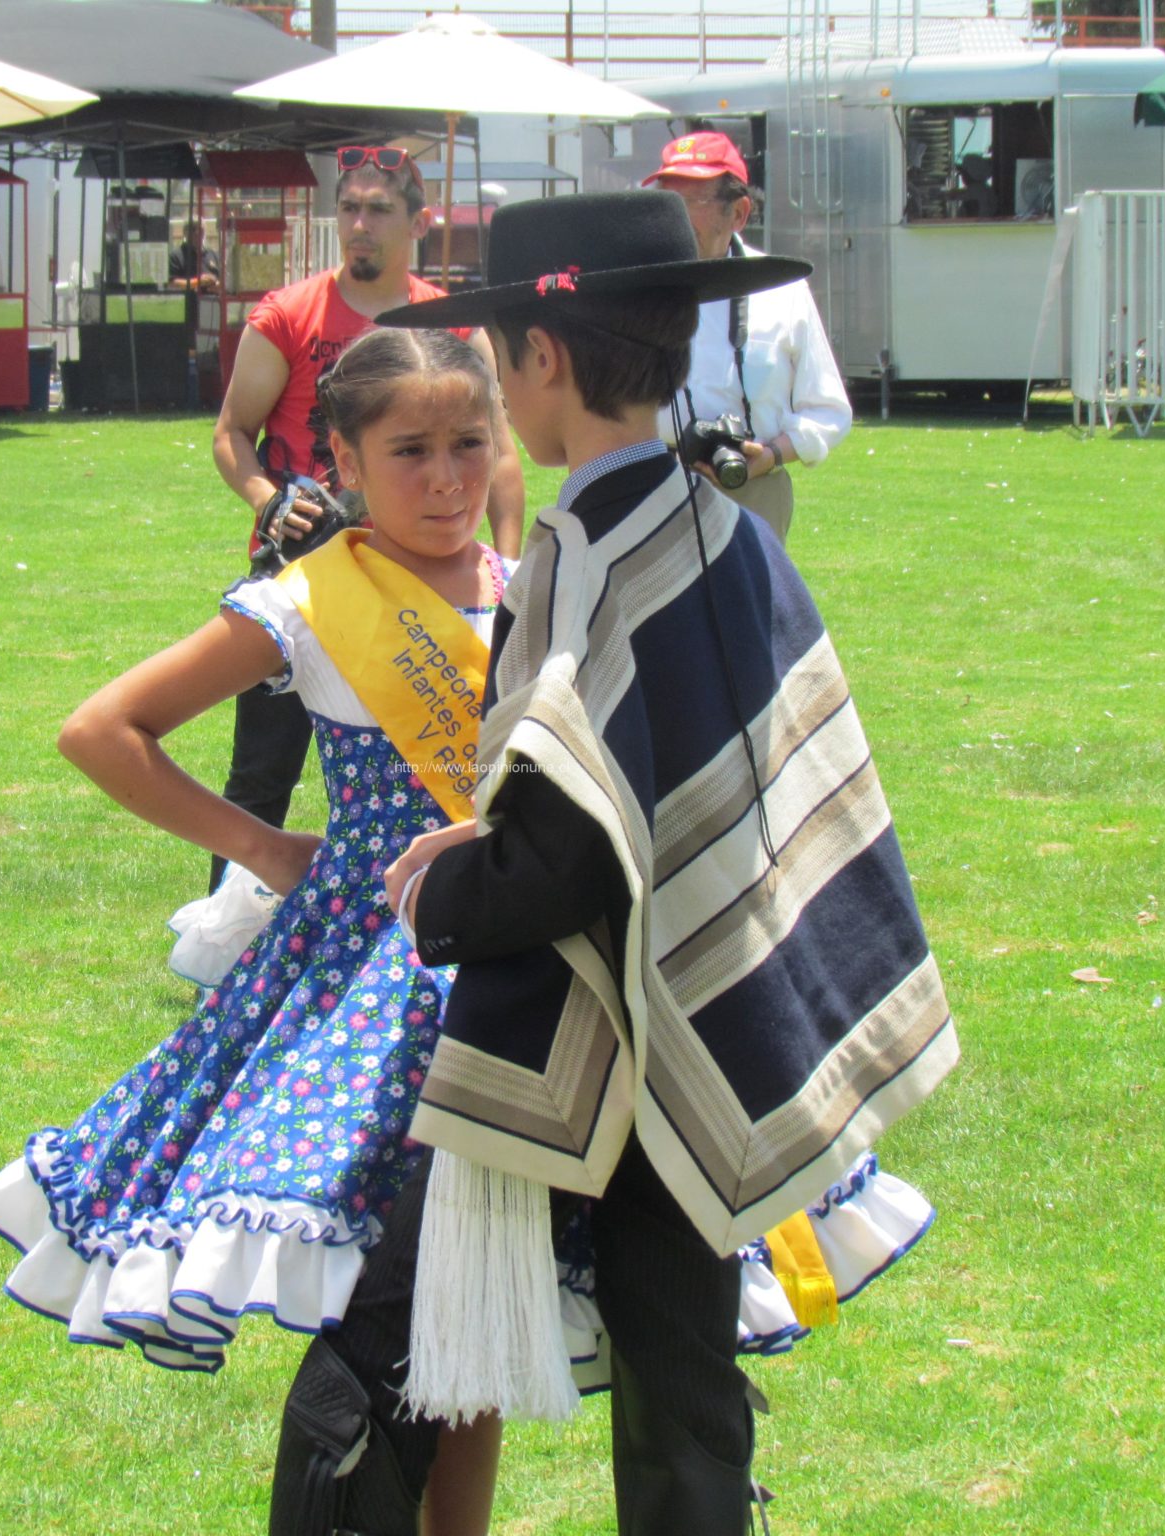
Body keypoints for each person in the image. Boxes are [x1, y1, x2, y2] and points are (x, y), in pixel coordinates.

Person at [268, 191, 960, 1536]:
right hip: (708, 1015)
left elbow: (568, 856)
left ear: (545, 358)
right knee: (680, 1386)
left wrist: (440, 884)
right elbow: (744, 785)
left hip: (574, 1028)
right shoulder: (728, 528)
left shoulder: (584, 552)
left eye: (505, 357)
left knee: (380, 1352)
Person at [0, 328, 518, 1536]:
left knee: (481, 1291)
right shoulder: (309, 601)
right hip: (375, 981)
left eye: (468, 445)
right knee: (379, 1290)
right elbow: (102, 730)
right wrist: (270, 850)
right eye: (410, 450)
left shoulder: (529, 587)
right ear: (343, 457)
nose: (443, 479)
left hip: (518, 960)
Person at [207, 146, 525, 892]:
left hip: (442, 584)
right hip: (309, 576)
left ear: (418, 222)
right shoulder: (286, 314)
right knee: (261, 773)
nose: (359, 224)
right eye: (349, 207)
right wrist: (270, 501)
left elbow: (501, 456)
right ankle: (227, 944)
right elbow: (231, 434)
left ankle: (454, 914)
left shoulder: (453, 326)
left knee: (453, 777)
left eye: (379, 209)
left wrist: (511, 583)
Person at [643, 131, 852, 544]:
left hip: (750, 489)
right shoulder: (637, 286)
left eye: (689, 205)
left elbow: (827, 410)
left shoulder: (779, 285)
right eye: (665, 203)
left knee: (754, 608)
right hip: (652, 489)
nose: (673, 220)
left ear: (739, 213)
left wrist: (770, 455)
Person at [166, 218, 220, 294]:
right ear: (185, 232)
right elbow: (172, 284)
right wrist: (198, 282)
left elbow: (224, 281)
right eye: (193, 229)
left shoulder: (213, 255)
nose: (197, 233)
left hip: (213, 303)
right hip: (189, 303)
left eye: (200, 229)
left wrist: (218, 286)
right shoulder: (176, 256)